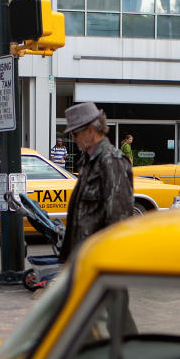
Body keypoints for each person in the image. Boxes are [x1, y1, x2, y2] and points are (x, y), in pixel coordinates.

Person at [59, 102, 133, 263]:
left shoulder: (111, 161)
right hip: (85, 258)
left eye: (74, 133)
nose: (73, 138)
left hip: (103, 265)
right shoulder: (88, 160)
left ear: (90, 131)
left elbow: (118, 219)